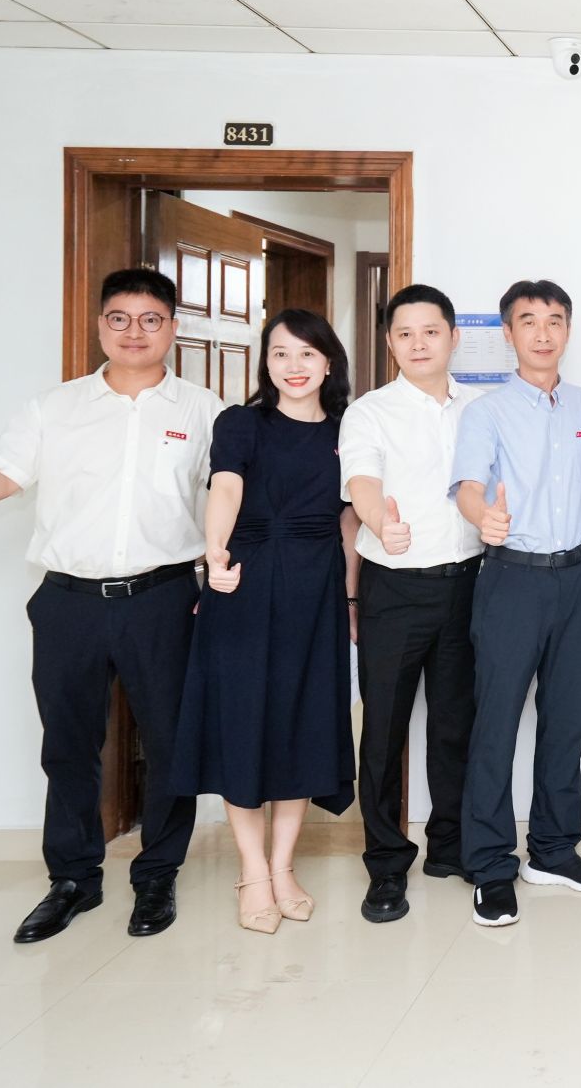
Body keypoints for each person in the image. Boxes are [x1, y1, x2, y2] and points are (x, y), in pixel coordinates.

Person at [0, 268, 221, 944]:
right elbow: (1, 478)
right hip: (68, 602)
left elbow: (228, 497)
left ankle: (157, 875)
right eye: (119, 318)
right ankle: (73, 878)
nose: (134, 331)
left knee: (171, 744)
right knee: (68, 745)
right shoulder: (52, 408)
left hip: (164, 598)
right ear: (100, 325)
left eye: (150, 319)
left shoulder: (203, 411)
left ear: (173, 328)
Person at [168, 308, 357, 934]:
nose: (293, 366)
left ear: (328, 362)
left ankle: (283, 867)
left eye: (306, 354)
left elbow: (348, 521)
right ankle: (251, 870)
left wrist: (352, 600)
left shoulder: (348, 430)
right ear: (265, 363)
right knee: (243, 722)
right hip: (245, 585)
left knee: (301, 722)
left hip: (316, 592)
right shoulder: (241, 422)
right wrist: (214, 554)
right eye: (280, 354)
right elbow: (224, 488)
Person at [453, 279, 581, 928]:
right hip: (512, 580)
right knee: (495, 722)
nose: (543, 333)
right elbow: (468, 487)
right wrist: (484, 517)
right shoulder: (486, 412)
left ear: (567, 330)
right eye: (529, 321)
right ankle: (491, 865)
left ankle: (553, 850)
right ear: (509, 332)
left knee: (566, 720)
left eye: (554, 320)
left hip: (576, 578)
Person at [338, 284, 484, 923]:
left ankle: (450, 846)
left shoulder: (481, 408)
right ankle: (386, 864)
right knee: (384, 730)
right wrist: (381, 520)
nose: (419, 344)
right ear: (390, 343)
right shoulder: (369, 412)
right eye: (405, 334)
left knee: (456, 725)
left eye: (431, 332)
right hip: (394, 587)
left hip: (470, 584)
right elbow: (361, 482)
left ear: (453, 337)